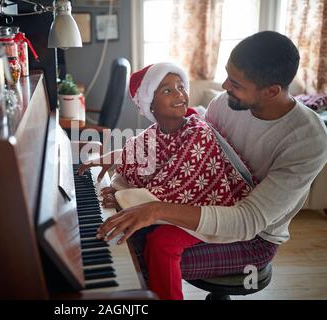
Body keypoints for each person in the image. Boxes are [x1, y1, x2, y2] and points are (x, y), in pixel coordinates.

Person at [79, 31, 327, 299]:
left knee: (143, 252)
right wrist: (122, 154)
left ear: (271, 92)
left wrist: (155, 209)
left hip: (254, 238)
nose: (223, 86)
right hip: (208, 205)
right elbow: (183, 148)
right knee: (125, 228)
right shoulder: (225, 104)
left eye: (235, 83)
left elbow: (248, 221)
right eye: (227, 75)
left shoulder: (307, 139)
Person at [98, 61, 260, 300]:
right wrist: (117, 189)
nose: (179, 94)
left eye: (181, 87)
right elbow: (135, 166)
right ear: (149, 104)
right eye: (167, 90)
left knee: (161, 242)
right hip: (178, 204)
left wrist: (122, 198)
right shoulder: (153, 133)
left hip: (216, 209)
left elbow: (176, 186)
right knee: (134, 231)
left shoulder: (198, 132)